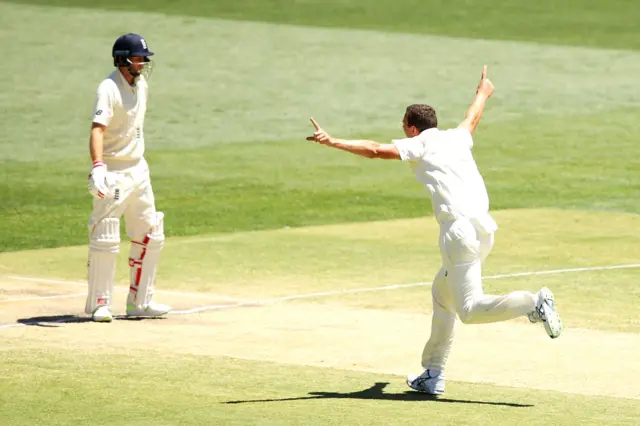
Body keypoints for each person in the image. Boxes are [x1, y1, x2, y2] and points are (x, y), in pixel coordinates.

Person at [305, 66, 562, 396]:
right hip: (483, 230)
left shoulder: (421, 144)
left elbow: (373, 149)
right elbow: (472, 118)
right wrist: (483, 91)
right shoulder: (455, 136)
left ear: (412, 128)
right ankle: (433, 373)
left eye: (403, 127)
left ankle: (533, 303)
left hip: (459, 234)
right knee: (443, 295)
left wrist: (332, 141)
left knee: (468, 311)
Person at [85, 33, 171, 322]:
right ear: (122, 60)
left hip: (139, 169)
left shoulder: (141, 84)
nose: (143, 63)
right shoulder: (108, 88)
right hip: (114, 172)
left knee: (150, 233)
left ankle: (140, 302)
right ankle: (100, 303)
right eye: (138, 58)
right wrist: (98, 167)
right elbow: (97, 129)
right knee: (106, 235)